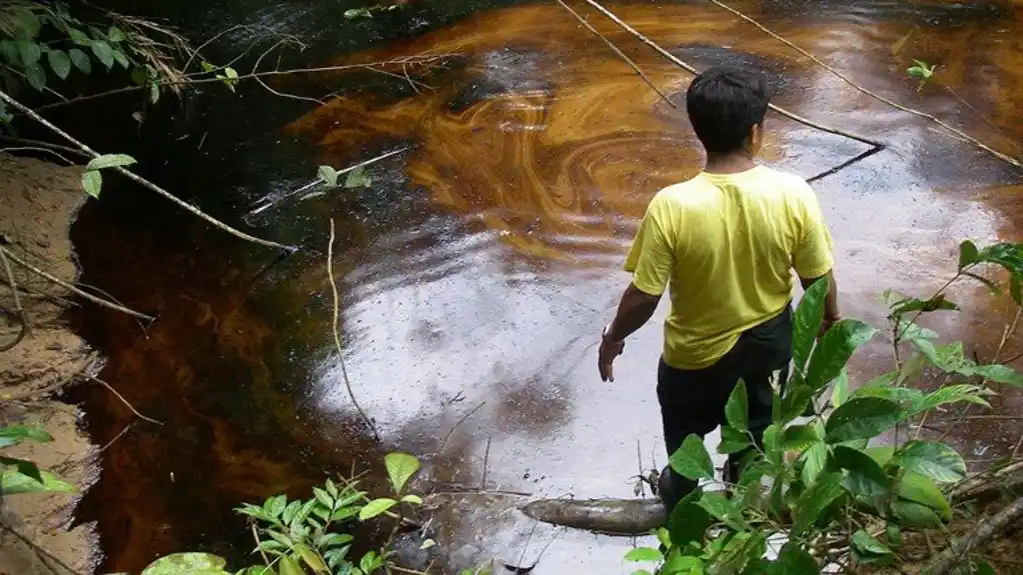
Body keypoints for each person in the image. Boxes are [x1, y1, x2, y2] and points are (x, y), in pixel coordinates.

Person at [597, 65, 841, 512]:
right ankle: (742, 513)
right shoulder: (793, 193)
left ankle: (683, 512)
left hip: (693, 363)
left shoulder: (671, 205)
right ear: (756, 132)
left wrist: (613, 339)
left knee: (685, 452)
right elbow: (817, 280)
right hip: (766, 350)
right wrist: (829, 320)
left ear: (697, 129)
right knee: (754, 439)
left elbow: (644, 296)